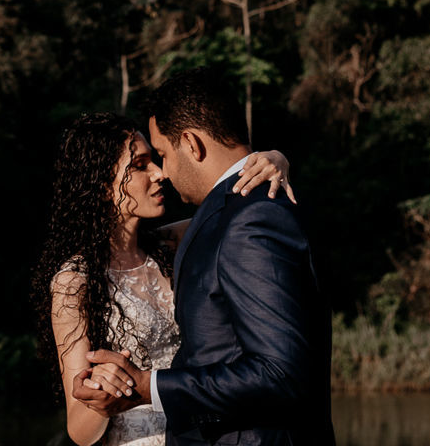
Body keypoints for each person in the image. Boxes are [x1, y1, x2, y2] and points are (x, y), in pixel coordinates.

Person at [73, 71, 335, 446]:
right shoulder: (233, 214)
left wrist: (150, 387)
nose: (163, 172)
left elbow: (280, 371)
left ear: (191, 144)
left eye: (162, 155)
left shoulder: (251, 218)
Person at [32, 109, 294, 446]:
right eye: (139, 165)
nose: (160, 173)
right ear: (100, 186)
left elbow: (236, 209)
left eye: (154, 160)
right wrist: (108, 390)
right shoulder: (73, 282)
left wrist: (274, 159)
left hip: (199, 433)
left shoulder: (172, 244)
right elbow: (78, 430)